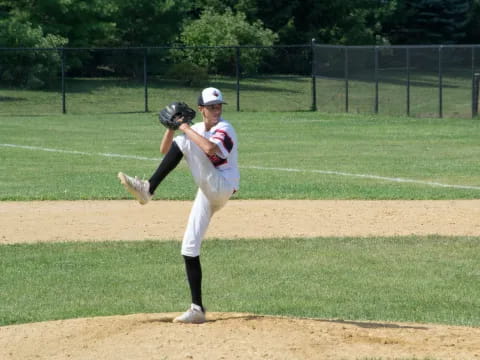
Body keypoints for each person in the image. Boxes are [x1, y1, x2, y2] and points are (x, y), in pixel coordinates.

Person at [117, 87, 239, 324]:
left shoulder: (225, 127)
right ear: (201, 109)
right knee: (189, 247)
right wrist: (171, 129)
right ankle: (197, 308)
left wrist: (182, 128)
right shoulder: (193, 130)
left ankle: (148, 189)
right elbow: (165, 151)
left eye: (219, 106)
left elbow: (210, 149)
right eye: (212, 106)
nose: (217, 110)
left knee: (185, 142)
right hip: (208, 190)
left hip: (222, 185)